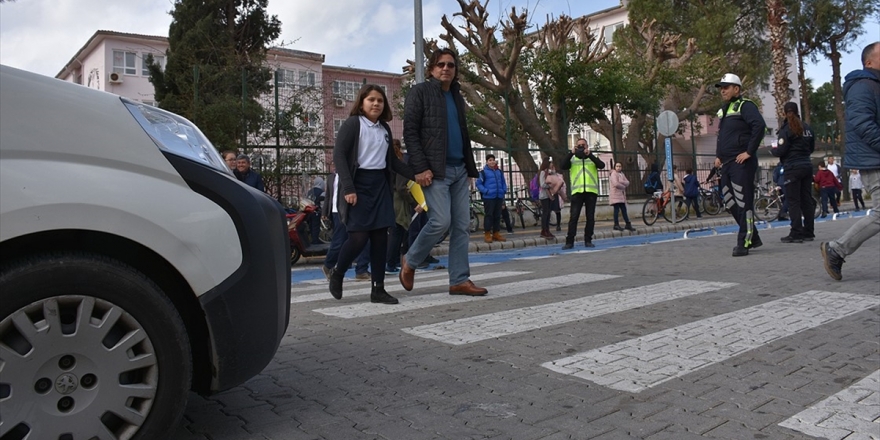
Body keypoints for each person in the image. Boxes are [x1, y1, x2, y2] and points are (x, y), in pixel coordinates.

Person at [399, 48, 487, 296]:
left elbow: (462, 134)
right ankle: (411, 260)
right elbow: (410, 132)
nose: (446, 68)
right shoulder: (420, 92)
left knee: (461, 226)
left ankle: (459, 280)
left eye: (450, 64)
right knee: (440, 221)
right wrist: (421, 167)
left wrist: (469, 168)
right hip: (434, 171)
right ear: (431, 69)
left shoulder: (457, 96)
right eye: (440, 64)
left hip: (459, 169)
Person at [327, 84, 414, 304]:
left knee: (379, 240)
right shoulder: (353, 124)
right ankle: (338, 272)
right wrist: (349, 188)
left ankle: (378, 289)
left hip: (380, 186)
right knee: (358, 237)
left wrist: (416, 174)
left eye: (380, 100)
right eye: (371, 99)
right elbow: (339, 156)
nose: (376, 103)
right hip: (358, 185)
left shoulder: (384, 128)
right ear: (362, 102)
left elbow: (392, 162)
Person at [820, 41, 880, 281]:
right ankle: (837, 249)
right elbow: (863, 124)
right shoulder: (863, 85)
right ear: (869, 62)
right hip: (874, 161)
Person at [714, 73, 765, 256]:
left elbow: (759, 126)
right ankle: (754, 236)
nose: (722, 91)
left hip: (741, 162)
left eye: (726, 87)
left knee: (744, 203)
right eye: (721, 88)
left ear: (737, 89)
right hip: (726, 163)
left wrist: (749, 152)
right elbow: (722, 136)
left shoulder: (746, 106)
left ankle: (745, 241)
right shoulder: (725, 111)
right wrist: (718, 156)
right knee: (729, 202)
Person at [772, 102, 815, 243]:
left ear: (785, 113)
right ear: (798, 112)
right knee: (806, 199)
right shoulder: (807, 128)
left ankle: (796, 232)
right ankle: (808, 231)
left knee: (793, 201)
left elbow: (781, 150)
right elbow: (812, 147)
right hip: (807, 166)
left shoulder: (786, 129)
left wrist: (773, 151)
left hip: (792, 167)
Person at [322, 173, 371, 281]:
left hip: (350, 211)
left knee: (361, 240)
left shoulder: (350, 174)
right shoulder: (333, 177)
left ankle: (361, 270)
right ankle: (329, 264)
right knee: (340, 241)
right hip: (338, 212)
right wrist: (325, 212)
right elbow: (328, 196)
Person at [561, 138, 605, 249]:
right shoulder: (573, 159)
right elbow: (563, 165)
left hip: (591, 192)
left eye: (583, 145)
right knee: (574, 217)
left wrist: (590, 155)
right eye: (579, 145)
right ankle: (569, 241)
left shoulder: (592, 158)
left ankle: (588, 240)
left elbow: (601, 165)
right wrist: (571, 153)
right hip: (577, 192)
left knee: (590, 217)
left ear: (587, 146)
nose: (581, 147)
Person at [386, 139, 418, 274]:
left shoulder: (388, 161)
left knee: (395, 232)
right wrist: (413, 202)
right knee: (397, 232)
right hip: (398, 201)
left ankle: (391, 262)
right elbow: (400, 187)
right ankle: (391, 263)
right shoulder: (400, 163)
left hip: (390, 198)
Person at [475, 153, 508, 243]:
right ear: (487, 162)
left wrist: (504, 190)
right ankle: (487, 233)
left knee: (497, 215)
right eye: (490, 160)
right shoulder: (483, 173)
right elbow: (478, 184)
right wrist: (486, 191)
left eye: (493, 160)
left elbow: (503, 182)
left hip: (499, 196)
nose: (492, 162)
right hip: (489, 197)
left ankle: (496, 233)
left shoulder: (499, 172)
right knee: (489, 215)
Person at [609, 162, 636, 231]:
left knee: (624, 210)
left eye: (620, 166)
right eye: (617, 166)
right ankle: (616, 224)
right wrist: (623, 186)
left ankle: (628, 224)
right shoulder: (613, 174)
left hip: (621, 195)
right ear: (615, 167)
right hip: (615, 194)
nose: (618, 167)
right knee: (616, 210)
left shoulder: (622, 174)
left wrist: (621, 182)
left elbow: (627, 182)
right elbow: (616, 184)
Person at [545, 163, 566, 231]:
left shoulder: (558, 175)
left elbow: (562, 183)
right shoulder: (546, 175)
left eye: (552, 167)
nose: (551, 169)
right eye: (550, 167)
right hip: (548, 194)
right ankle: (546, 226)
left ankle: (558, 225)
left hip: (556, 194)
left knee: (557, 211)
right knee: (548, 211)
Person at [537, 159, 555, 239]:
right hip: (544, 195)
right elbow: (542, 184)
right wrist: (550, 186)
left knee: (548, 213)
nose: (552, 164)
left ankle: (547, 230)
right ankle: (544, 230)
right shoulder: (543, 173)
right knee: (546, 213)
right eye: (551, 163)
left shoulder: (549, 173)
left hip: (549, 195)